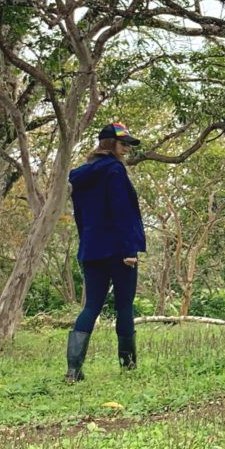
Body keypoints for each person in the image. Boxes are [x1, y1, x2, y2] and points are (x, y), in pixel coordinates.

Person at [65, 122, 147, 382]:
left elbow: (81, 217)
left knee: (91, 306)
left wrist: (87, 243)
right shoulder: (114, 171)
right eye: (123, 144)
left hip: (92, 249)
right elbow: (121, 211)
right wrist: (129, 249)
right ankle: (128, 367)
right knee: (124, 306)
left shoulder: (81, 176)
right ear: (110, 144)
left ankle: (73, 370)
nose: (126, 149)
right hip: (119, 250)